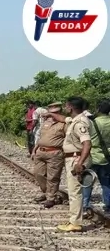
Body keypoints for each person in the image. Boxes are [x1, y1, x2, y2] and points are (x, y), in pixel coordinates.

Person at [45, 97, 93, 232]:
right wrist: (51, 114)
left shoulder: (79, 123)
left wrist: (80, 163)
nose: (65, 107)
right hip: (73, 158)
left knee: (74, 192)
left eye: (66, 105)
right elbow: (63, 118)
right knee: (73, 191)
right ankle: (74, 219)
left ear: (70, 107)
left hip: (76, 158)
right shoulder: (74, 120)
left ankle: (75, 223)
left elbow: (87, 144)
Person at [31, 102, 66, 208]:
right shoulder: (45, 123)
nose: (52, 115)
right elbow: (41, 138)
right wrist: (34, 150)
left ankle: (51, 198)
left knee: (53, 177)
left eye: (55, 112)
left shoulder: (64, 123)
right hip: (41, 151)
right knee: (38, 174)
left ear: (60, 112)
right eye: (51, 112)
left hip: (55, 153)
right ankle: (47, 193)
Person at [81, 100, 110, 223]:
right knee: (106, 183)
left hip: (92, 156)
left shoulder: (92, 122)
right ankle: (108, 206)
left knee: (87, 182)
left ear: (98, 109)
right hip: (107, 157)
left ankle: (85, 205)